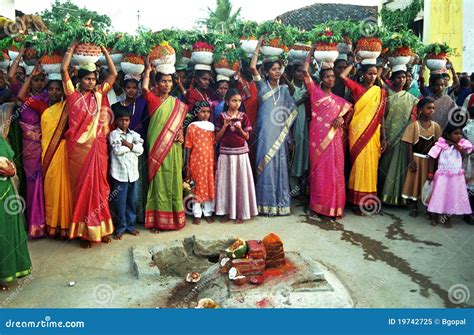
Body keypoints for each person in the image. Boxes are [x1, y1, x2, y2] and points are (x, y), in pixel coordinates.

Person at [61, 42, 118, 248]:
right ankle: (85, 233)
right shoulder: (72, 95)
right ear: (80, 79)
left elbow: (113, 75)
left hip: (98, 148)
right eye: (87, 78)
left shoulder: (99, 94)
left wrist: (105, 53)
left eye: (93, 78)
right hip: (77, 151)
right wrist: (71, 48)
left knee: (101, 188)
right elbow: (63, 69)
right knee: (82, 190)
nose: (91, 82)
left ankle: (101, 229)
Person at [250, 37, 298, 216]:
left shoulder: (285, 90)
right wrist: (258, 47)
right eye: (274, 69)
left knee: (279, 165)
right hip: (264, 133)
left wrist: (290, 137)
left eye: (279, 69)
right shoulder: (261, 86)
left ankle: (280, 205)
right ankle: (264, 204)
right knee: (265, 165)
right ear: (267, 71)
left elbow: (290, 113)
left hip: (280, 133)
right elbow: (252, 67)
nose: (277, 72)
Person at [23, 73, 72, 238]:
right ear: (46, 90)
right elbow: (21, 96)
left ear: (62, 91)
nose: (54, 92)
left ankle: (65, 224)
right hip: (47, 154)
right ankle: (52, 225)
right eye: (50, 89)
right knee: (50, 188)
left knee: (65, 189)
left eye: (58, 89)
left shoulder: (69, 105)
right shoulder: (42, 106)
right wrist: (30, 77)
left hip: (63, 153)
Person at [142, 58, 188, 233]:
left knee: (174, 178)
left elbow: (180, 125)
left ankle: (175, 219)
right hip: (157, 147)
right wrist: (148, 71)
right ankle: (156, 221)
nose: (167, 84)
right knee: (158, 181)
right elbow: (144, 89)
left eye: (169, 81)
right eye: (163, 81)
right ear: (158, 83)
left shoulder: (177, 103)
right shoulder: (154, 100)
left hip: (173, 147)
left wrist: (180, 134)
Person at [303, 55, 351, 218]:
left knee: (335, 170)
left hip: (334, 139)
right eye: (327, 77)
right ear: (322, 80)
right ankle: (318, 207)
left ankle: (335, 206)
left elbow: (348, 113)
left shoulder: (339, 101)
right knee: (320, 171)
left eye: (332, 76)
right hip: (318, 139)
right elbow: (304, 72)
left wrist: (341, 118)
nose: (331, 79)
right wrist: (311, 52)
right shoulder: (315, 93)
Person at [340, 57, 387, 214]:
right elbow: (342, 77)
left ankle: (368, 200)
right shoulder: (357, 89)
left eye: (375, 74)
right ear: (362, 74)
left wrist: (384, 137)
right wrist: (354, 62)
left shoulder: (380, 93)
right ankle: (355, 201)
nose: (372, 77)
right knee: (359, 165)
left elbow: (381, 117)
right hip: (357, 131)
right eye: (369, 74)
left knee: (371, 167)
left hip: (374, 132)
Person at [215, 88, 258, 223]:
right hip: (226, 152)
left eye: (239, 101)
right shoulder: (221, 116)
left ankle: (241, 212)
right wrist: (224, 126)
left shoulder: (243, 116)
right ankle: (226, 211)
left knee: (240, 181)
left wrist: (239, 128)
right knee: (226, 182)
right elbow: (217, 137)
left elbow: (247, 136)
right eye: (234, 101)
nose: (237, 103)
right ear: (227, 101)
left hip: (240, 153)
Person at [378, 67, 419, 205]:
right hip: (387, 136)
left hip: (402, 137)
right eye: (398, 77)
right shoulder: (386, 94)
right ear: (392, 79)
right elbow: (382, 117)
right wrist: (384, 137)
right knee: (385, 165)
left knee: (399, 166)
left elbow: (412, 120)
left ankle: (397, 197)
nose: (402, 80)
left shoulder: (411, 99)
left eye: (404, 77)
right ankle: (381, 194)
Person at [111, 75, 148, 224]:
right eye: (128, 87)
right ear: (123, 88)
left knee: (136, 186)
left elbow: (145, 125)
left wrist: (133, 145)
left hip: (137, 148)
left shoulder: (142, 103)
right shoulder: (116, 106)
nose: (131, 91)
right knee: (121, 190)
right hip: (119, 152)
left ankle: (135, 219)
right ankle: (120, 222)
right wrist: (126, 145)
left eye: (134, 87)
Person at [16, 64, 47, 238]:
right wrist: (29, 75)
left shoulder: (46, 98)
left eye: (42, 79)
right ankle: (35, 225)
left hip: (44, 143)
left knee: (44, 182)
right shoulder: (27, 99)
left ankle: (45, 221)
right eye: (36, 79)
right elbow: (20, 94)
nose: (39, 83)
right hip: (29, 147)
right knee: (33, 183)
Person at [0, 135, 32, 291]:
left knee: (9, 232)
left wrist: (11, 171)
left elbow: (10, 163)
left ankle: (8, 271)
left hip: (6, 191)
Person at [401, 98, 442, 217]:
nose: (431, 111)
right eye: (428, 108)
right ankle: (414, 205)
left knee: (428, 183)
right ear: (420, 110)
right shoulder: (414, 126)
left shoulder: (436, 127)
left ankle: (428, 206)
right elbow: (408, 144)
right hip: (417, 159)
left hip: (430, 160)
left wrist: (437, 163)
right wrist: (411, 162)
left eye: (433, 108)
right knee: (415, 182)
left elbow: (439, 145)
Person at [427, 123, 472, 227]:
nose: (459, 136)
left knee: (452, 197)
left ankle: (447, 219)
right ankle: (435, 217)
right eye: (455, 133)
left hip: (456, 177)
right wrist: (430, 173)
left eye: (460, 133)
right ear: (447, 134)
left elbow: (469, 149)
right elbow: (431, 157)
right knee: (439, 196)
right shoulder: (441, 144)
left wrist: (455, 145)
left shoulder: (462, 144)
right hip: (443, 176)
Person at [109, 105, 144, 239]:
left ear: (130, 121)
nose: (124, 123)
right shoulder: (113, 134)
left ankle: (130, 226)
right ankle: (120, 228)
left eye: (126, 120)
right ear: (116, 121)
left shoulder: (134, 134)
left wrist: (127, 145)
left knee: (132, 201)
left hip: (133, 175)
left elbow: (140, 150)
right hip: (120, 175)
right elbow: (117, 151)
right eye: (121, 120)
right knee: (120, 202)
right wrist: (132, 147)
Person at [184, 101, 215, 224]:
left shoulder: (212, 126)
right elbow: (188, 146)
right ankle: (197, 214)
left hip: (209, 161)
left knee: (207, 185)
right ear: (197, 112)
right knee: (197, 186)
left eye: (208, 112)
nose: (205, 114)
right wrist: (186, 163)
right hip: (196, 161)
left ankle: (207, 212)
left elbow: (213, 145)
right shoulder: (192, 126)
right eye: (203, 112)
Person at [288, 61, 309, 196]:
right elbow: (287, 108)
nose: (301, 74)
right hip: (293, 126)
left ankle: (303, 187)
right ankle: (293, 189)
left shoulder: (308, 86)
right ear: (293, 73)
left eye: (303, 72)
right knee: (294, 155)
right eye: (298, 71)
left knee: (304, 155)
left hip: (306, 126)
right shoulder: (288, 87)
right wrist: (302, 100)